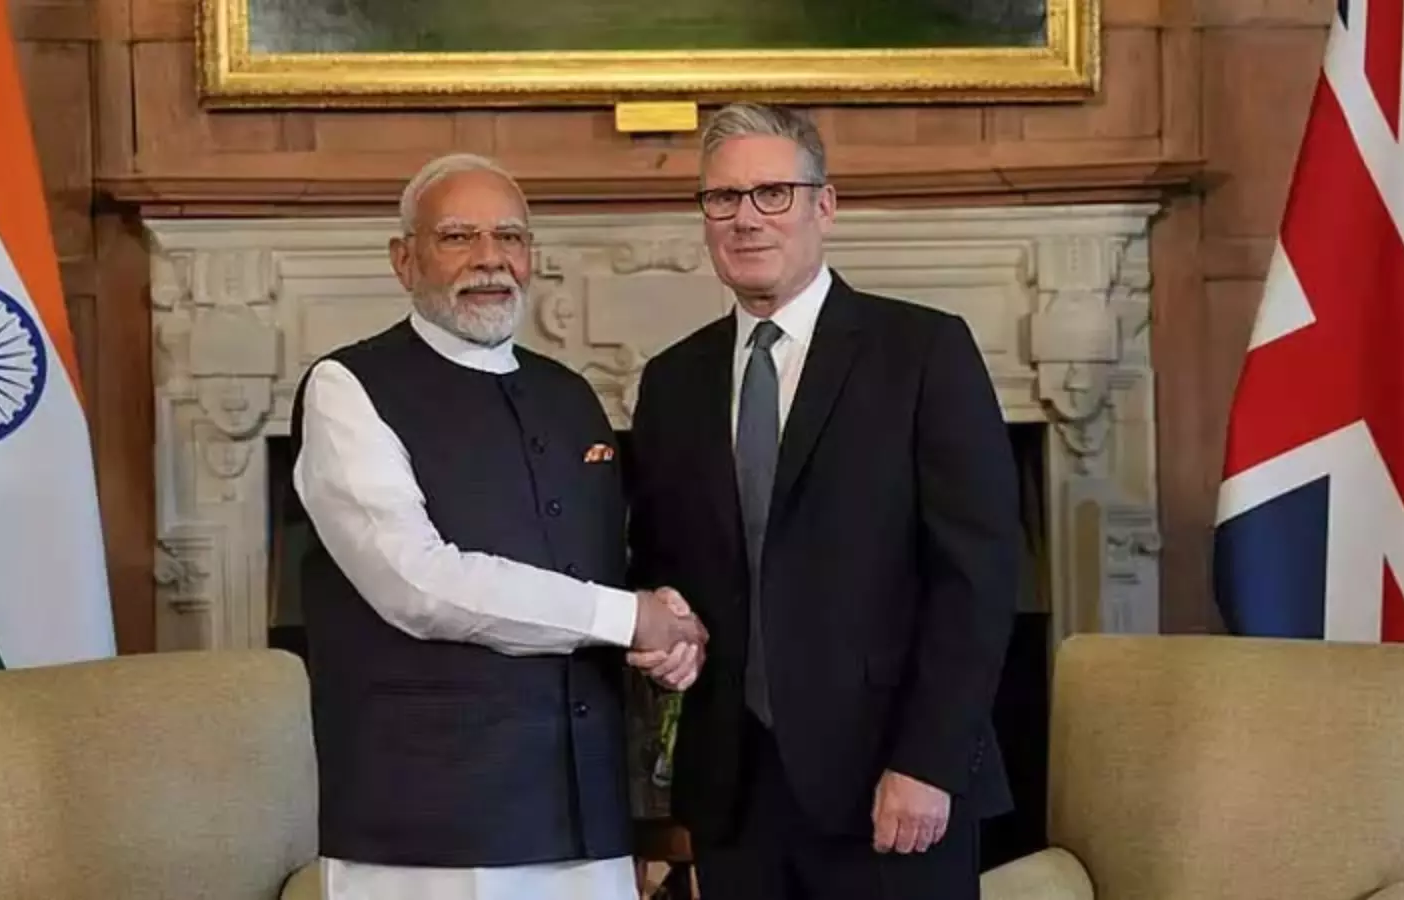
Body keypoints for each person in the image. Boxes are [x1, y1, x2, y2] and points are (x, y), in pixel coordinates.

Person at [626, 103, 1021, 899]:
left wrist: (929, 761)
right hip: (735, 797)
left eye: (772, 193)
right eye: (723, 198)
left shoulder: (922, 352)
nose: (746, 218)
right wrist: (662, 619)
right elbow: (666, 562)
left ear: (825, 206)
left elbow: (977, 577)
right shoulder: (671, 381)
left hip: (892, 786)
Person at [287, 152, 706, 900]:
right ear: (403, 259)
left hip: (586, 812)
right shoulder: (346, 387)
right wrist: (629, 617)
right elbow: (419, 583)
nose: (490, 258)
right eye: (458, 237)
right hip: (430, 825)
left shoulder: (571, 396)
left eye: (509, 237)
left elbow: (608, 567)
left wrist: (669, 629)